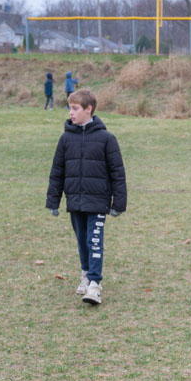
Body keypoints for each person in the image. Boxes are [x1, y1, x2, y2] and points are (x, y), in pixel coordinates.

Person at [46, 89, 126, 305]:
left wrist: (118, 203)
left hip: (98, 202)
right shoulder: (65, 139)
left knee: (95, 240)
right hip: (75, 201)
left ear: (88, 109)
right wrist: (53, 201)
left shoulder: (106, 139)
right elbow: (57, 171)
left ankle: (94, 285)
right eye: (69, 108)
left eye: (75, 108)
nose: (70, 113)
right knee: (82, 241)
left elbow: (118, 173)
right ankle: (85, 274)